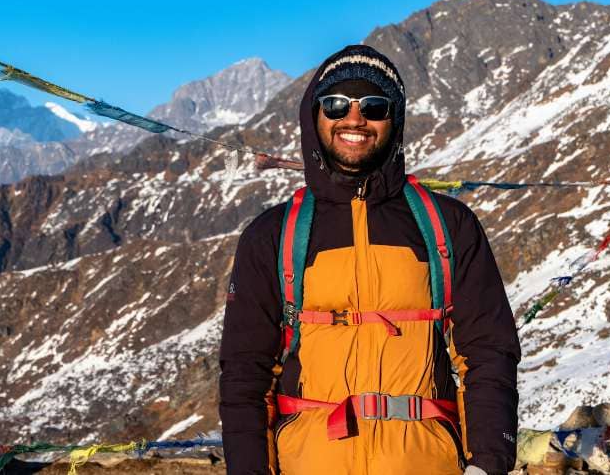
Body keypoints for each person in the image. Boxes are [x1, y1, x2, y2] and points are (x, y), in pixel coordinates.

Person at [218, 44, 521, 475]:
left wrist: (487, 464)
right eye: (336, 103)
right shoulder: (271, 236)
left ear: (395, 119)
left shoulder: (449, 226)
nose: (354, 118)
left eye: (374, 105)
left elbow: (488, 352)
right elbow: (245, 374)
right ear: (315, 115)